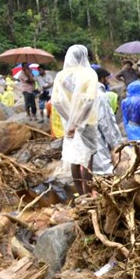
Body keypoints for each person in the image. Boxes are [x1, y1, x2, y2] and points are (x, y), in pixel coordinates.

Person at [51, 45, 100, 196]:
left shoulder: (61, 76)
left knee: (74, 157)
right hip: (87, 122)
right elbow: (89, 101)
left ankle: (81, 194)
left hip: (69, 124)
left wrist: (70, 121)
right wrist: (78, 122)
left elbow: (57, 101)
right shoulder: (89, 74)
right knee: (88, 157)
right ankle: (88, 194)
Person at [91, 67, 124, 176]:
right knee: (105, 172)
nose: (108, 81)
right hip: (99, 140)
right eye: (106, 78)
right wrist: (116, 145)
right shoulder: (101, 96)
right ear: (101, 79)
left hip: (87, 141)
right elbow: (107, 124)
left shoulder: (83, 94)